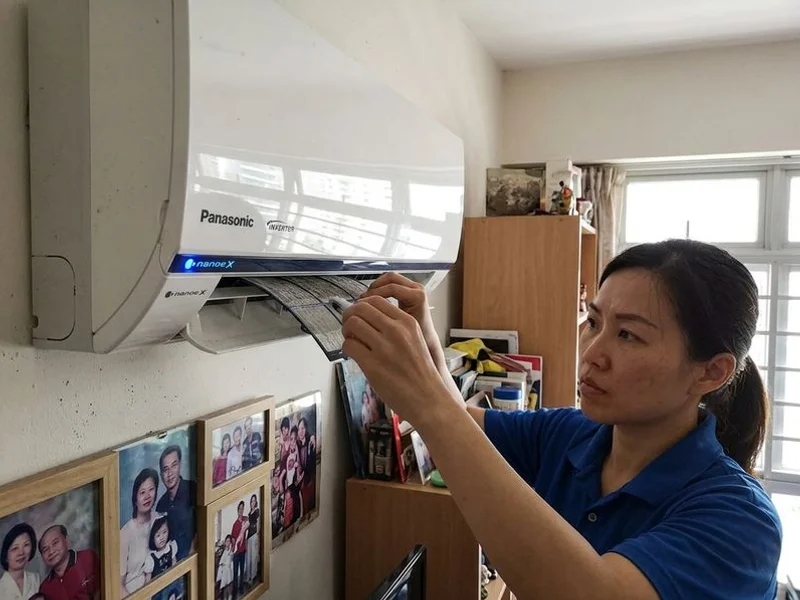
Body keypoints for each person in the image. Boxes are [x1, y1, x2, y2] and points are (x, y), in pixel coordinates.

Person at [341, 245, 783, 600]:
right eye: (594, 321)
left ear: (711, 372)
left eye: (628, 334)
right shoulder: (572, 434)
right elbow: (461, 424)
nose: (591, 353)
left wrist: (427, 399)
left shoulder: (740, 522)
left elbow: (594, 590)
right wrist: (427, 340)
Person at [120, 468, 160, 596]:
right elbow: (118, 584)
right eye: (142, 492)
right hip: (132, 594)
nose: (147, 496)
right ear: (135, 499)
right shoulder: (125, 533)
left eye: (151, 490)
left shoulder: (160, 520)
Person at [156, 445, 197, 561]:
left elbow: (205, 522)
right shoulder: (161, 505)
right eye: (165, 469)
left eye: (174, 465)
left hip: (193, 560)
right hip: (172, 565)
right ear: (161, 475)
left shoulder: (193, 489)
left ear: (180, 465)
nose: (170, 474)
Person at [38, 525, 101, 600]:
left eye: (55, 543)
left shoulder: (88, 558)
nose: (51, 551)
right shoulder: (45, 589)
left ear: (66, 540)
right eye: (45, 549)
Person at [0, 523, 39, 600]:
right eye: (15, 548)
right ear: (6, 556)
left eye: (26, 545)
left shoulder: (36, 579)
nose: (21, 553)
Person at [143, 516, 178, 583]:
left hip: (171, 580)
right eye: (158, 535)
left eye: (164, 532)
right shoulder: (151, 558)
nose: (162, 537)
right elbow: (148, 578)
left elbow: (174, 563)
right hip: (158, 586)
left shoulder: (171, 546)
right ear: (152, 538)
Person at [296, 416, 316, 513]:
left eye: (303, 428)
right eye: (299, 429)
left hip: (310, 479)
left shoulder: (310, 442)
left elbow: (310, 464)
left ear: (306, 429)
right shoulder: (297, 444)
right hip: (302, 480)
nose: (301, 431)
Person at [230, 502, 248, 599]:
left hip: (243, 550)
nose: (241, 511)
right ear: (237, 510)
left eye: (242, 509)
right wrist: (233, 551)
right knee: (235, 573)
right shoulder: (235, 525)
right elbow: (233, 540)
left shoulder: (245, 521)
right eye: (240, 509)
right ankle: (234, 592)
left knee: (242, 571)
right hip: (237, 553)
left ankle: (241, 589)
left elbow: (249, 520)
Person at [244, 494, 260, 585]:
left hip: (254, 534)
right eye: (251, 501)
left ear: (256, 502)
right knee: (248, 557)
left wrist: (257, 534)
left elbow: (257, 523)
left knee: (253, 557)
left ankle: (252, 577)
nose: (252, 502)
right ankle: (248, 576)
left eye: (254, 501)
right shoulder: (249, 513)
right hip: (249, 536)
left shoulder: (257, 511)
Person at [216, 536, 234, 600]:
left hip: (228, 569)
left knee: (229, 584)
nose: (227, 542)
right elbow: (220, 558)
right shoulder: (223, 550)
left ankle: (230, 596)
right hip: (223, 570)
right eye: (226, 541)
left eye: (229, 541)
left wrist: (230, 549)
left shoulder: (230, 551)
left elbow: (231, 558)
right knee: (224, 586)